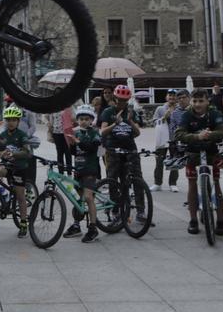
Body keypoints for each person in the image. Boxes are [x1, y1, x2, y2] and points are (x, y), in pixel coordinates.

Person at [174, 88, 223, 236]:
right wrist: (197, 137)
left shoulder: (214, 113)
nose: (198, 104)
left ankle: (221, 220)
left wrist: (209, 134)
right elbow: (179, 133)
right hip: (193, 153)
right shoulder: (186, 115)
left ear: (207, 101)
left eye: (201, 101)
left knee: (216, 183)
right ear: (191, 101)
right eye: (195, 101)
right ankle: (193, 220)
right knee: (192, 184)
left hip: (212, 152)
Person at [99, 85, 145, 220]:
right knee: (113, 179)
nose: (121, 103)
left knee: (137, 179)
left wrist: (130, 121)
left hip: (130, 148)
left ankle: (140, 210)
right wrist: (115, 123)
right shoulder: (108, 111)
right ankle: (115, 210)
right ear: (115, 98)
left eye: (124, 100)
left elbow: (137, 133)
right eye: (119, 100)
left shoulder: (131, 113)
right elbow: (102, 131)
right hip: (112, 149)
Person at [63, 105, 102, 243]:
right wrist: (72, 144)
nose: (83, 121)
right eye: (81, 119)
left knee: (88, 197)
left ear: (91, 120)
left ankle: (93, 227)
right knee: (78, 200)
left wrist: (80, 142)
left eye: (86, 119)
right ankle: (76, 225)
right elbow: (74, 153)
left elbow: (93, 148)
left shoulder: (95, 132)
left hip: (90, 169)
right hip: (79, 169)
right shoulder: (77, 132)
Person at [0, 105, 33, 239]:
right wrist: (1, 153)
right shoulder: (2, 135)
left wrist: (14, 154)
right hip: (7, 166)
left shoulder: (22, 135)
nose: (10, 122)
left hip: (19, 167)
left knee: (20, 196)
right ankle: (3, 196)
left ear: (18, 121)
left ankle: (23, 223)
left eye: (13, 120)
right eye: (8, 120)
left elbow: (27, 152)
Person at [151, 89, 180, 192]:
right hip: (162, 139)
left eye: (174, 95)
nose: (172, 97)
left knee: (175, 161)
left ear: (177, 98)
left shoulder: (180, 109)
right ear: (166, 97)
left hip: (175, 139)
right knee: (159, 161)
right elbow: (154, 122)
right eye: (170, 95)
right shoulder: (160, 109)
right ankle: (157, 183)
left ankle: (173, 183)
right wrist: (164, 117)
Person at [166, 89, 192, 193]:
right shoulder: (174, 113)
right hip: (181, 142)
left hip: (195, 141)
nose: (181, 100)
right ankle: (173, 183)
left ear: (189, 98)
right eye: (179, 98)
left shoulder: (195, 109)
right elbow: (172, 129)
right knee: (179, 164)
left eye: (184, 98)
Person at [48, 106, 74, 175]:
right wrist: (51, 132)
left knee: (68, 152)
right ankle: (60, 172)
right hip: (56, 133)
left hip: (67, 133)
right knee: (59, 153)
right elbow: (51, 121)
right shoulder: (53, 108)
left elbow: (73, 118)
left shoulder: (68, 107)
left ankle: (69, 172)